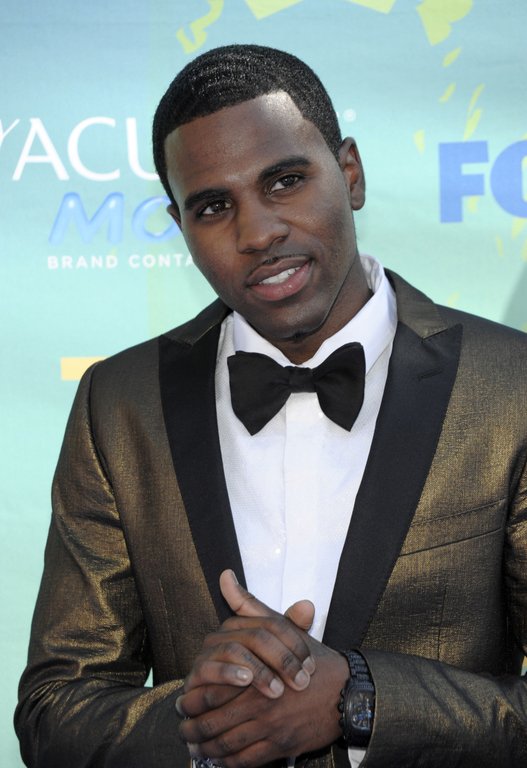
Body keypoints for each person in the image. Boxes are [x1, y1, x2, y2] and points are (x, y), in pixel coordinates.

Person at [15, 44, 527, 768]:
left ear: (350, 173)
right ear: (180, 225)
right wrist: (204, 716)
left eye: (285, 181)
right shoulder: (120, 405)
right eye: (213, 206)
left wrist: (359, 700)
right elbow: (55, 709)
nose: (257, 234)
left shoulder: (510, 386)